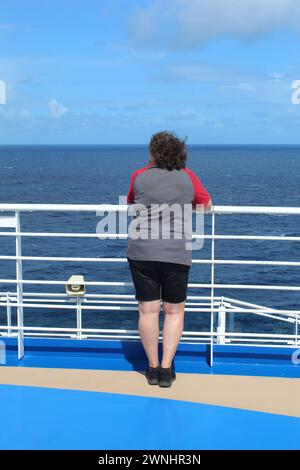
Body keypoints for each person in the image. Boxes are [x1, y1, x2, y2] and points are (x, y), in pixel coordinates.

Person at [127, 131, 212, 387]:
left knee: (148, 310)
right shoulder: (188, 177)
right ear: (179, 153)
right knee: (174, 311)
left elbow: (132, 202)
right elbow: (206, 205)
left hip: (142, 252)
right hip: (176, 253)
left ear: (153, 153)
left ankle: (151, 368)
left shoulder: (139, 176)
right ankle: (166, 369)